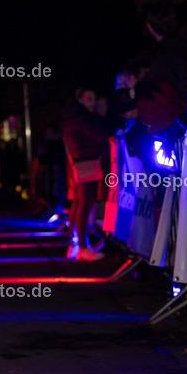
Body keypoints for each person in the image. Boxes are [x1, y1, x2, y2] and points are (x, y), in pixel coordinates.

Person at [62, 87, 113, 261]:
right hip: (86, 161)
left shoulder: (75, 116)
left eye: (94, 98)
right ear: (80, 100)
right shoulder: (82, 118)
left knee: (80, 203)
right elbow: (101, 134)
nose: (93, 103)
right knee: (85, 204)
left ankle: (75, 244)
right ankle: (82, 246)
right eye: (89, 99)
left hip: (83, 161)